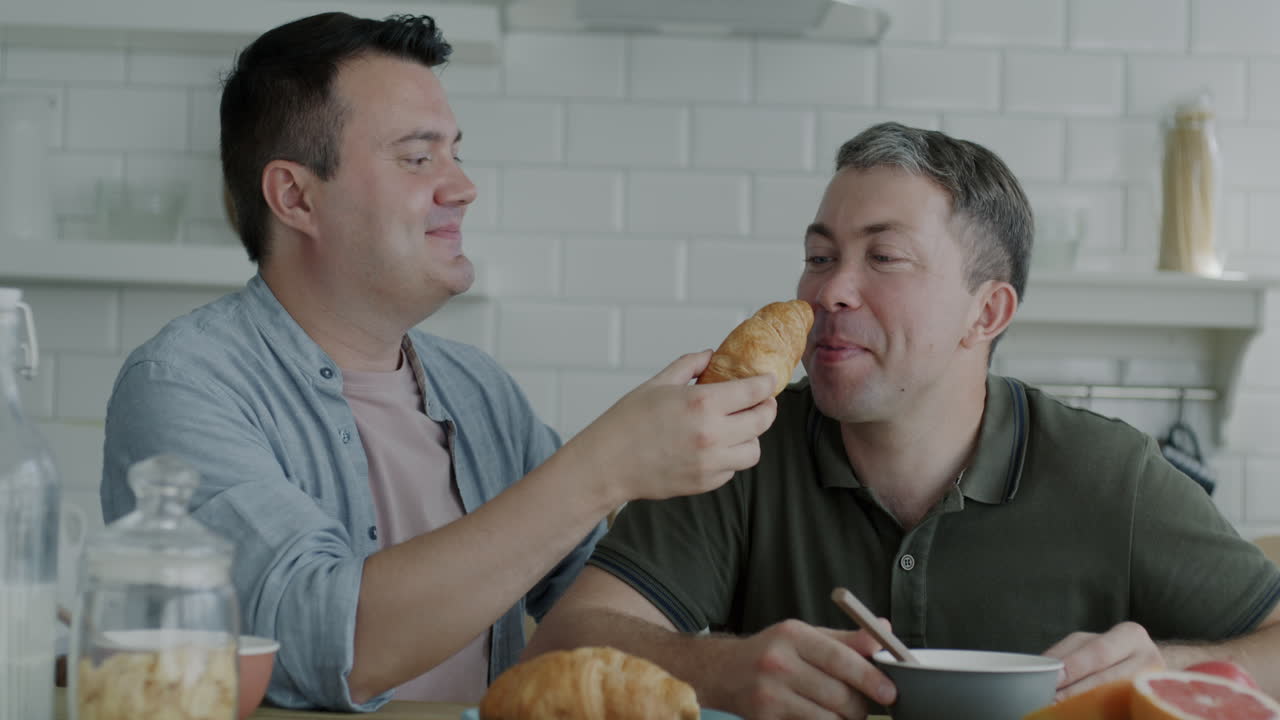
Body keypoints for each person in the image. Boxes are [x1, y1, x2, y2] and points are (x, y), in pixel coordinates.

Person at [100, 12, 777, 712]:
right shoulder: (186, 387)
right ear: (296, 196)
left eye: (455, 154)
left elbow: (592, 621)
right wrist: (604, 464)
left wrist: (733, 658)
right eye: (419, 158)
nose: (462, 187)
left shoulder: (479, 390)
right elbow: (325, 646)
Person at [527, 122, 1280, 720]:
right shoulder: (738, 447)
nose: (831, 291)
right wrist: (722, 669)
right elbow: (560, 647)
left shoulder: (1109, 472)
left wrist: (1170, 668)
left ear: (986, 312)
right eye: (820, 256)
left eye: (883, 257)